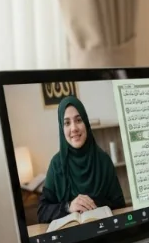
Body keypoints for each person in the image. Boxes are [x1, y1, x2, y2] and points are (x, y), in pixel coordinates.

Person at [38, 95, 126, 223]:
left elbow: (120, 206)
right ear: (62, 129)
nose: (74, 128)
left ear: (86, 123)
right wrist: (69, 206)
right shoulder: (56, 165)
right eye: (67, 123)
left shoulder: (104, 161)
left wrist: (92, 203)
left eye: (78, 120)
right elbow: (42, 212)